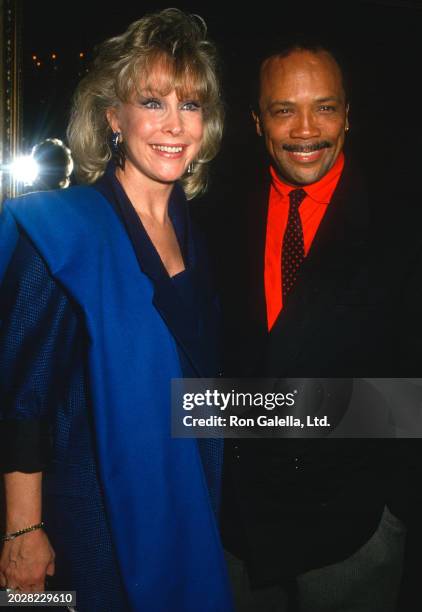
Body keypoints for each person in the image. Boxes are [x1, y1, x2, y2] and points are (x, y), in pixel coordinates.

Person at [0, 9, 233, 612]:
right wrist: (23, 532)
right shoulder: (62, 233)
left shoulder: (194, 232)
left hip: (188, 500)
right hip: (93, 517)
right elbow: (22, 397)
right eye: (153, 102)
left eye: (192, 105)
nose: (175, 125)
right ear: (112, 117)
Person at [220, 39, 416, 612]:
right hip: (241, 530)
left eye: (325, 107)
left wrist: (394, 512)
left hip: (353, 533)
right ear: (257, 121)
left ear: (348, 116)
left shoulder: (404, 220)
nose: (306, 129)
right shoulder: (214, 215)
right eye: (284, 110)